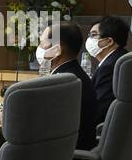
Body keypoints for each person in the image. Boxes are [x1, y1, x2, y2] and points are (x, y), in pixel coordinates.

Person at [36, 22, 98, 151]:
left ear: (58, 50)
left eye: (43, 44)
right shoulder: (75, 74)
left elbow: (41, 121)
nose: (39, 48)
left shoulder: (61, 82)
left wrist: (9, 115)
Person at [88, 16, 129, 124]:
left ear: (109, 41)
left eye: (93, 35)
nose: (89, 40)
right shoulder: (122, 56)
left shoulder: (109, 67)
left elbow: (98, 110)